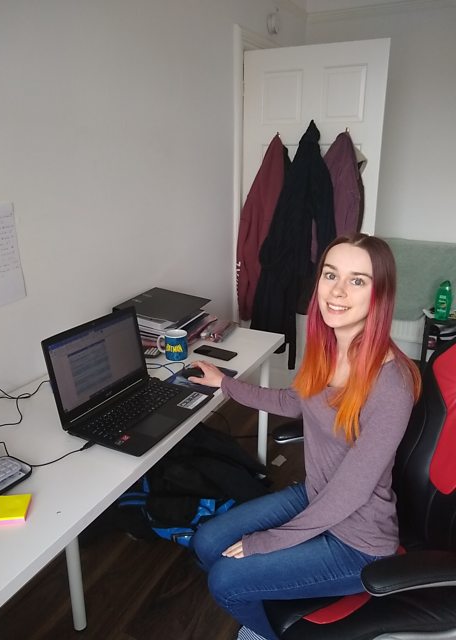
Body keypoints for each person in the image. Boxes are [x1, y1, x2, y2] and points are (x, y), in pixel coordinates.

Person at [188, 233, 421, 640]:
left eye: (357, 280)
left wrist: (270, 543)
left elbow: (351, 492)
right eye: (331, 274)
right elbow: (296, 402)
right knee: (208, 541)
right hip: (316, 496)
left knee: (226, 580)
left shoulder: (391, 383)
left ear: (380, 294)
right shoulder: (330, 348)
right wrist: (226, 385)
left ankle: (267, 631)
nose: (337, 291)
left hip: (359, 541)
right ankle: (277, 589)